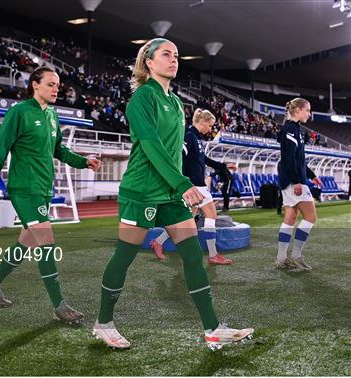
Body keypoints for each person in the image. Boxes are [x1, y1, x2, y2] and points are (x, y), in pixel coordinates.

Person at [92, 38, 253, 350]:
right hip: (141, 192)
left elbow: (174, 152)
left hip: (171, 195)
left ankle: (213, 328)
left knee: (193, 255)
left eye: (177, 55)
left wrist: (179, 186)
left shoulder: (177, 103)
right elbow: (151, 148)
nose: (173, 59)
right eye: (166, 54)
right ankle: (103, 322)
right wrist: (184, 184)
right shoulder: (142, 98)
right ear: (149, 62)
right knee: (124, 256)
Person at [0, 67, 101, 324]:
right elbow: (0, 149)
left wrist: (84, 161)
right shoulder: (19, 112)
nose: (57, 89)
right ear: (35, 85)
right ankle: (59, 306)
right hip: (25, 190)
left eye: (58, 85)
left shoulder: (53, 116)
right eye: (51, 84)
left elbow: (60, 151)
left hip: (44, 189)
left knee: (26, 242)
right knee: (47, 243)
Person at [149, 109, 235, 265]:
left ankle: (158, 242)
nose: (210, 129)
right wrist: (182, 180)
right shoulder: (189, 135)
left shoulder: (196, 137)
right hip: (194, 186)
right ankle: (213, 255)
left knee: (186, 220)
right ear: (202, 122)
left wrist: (223, 165)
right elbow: (178, 157)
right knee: (211, 215)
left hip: (197, 185)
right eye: (209, 125)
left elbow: (204, 159)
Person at [275, 98, 322, 271]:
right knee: (311, 217)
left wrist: (312, 175)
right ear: (298, 110)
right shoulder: (290, 129)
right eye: (308, 110)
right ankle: (296, 255)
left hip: (292, 178)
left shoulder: (294, 129)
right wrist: (296, 181)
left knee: (291, 217)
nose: (309, 114)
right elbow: (288, 158)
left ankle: (281, 258)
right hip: (293, 180)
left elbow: (298, 159)